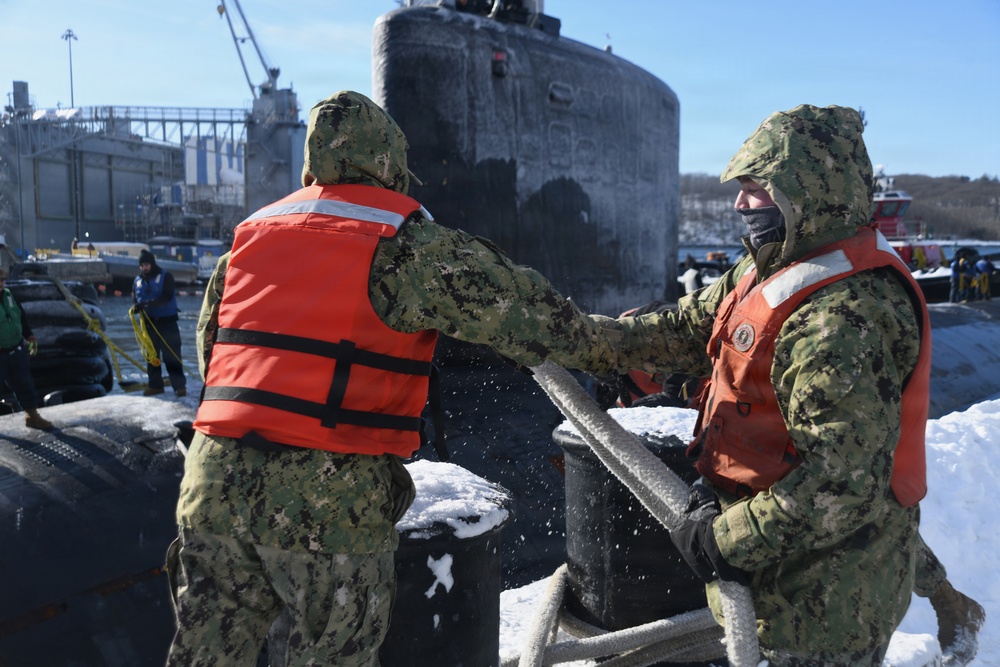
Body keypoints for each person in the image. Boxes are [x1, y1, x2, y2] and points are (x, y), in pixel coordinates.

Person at [165, 90, 606, 666]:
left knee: (207, 653)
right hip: (329, 495)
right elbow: (533, 314)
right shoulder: (406, 245)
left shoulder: (251, 237)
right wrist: (624, 344)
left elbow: (213, 358)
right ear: (391, 165)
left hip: (214, 482)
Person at [575, 105, 983, 665]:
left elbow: (840, 486)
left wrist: (724, 539)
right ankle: (949, 600)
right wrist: (585, 339)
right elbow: (693, 326)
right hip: (797, 531)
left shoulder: (840, 318)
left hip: (826, 600)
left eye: (757, 189)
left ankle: (950, 603)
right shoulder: (775, 266)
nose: (740, 203)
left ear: (808, 191)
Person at [0, 268, 53, 430]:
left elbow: (20, 317)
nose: (1, 283)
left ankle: (32, 416)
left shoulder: (9, 295)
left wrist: (29, 335)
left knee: (25, 383)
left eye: (2, 280)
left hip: (16, 349)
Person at [133, 249, 186, 397]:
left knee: (172, 356)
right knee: (152, 357)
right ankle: (155, 386)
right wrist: (136, 308)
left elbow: (167, 296)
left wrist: (149, 304)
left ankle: (179, 387)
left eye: (147, 264)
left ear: (152, 264)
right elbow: (136, 301)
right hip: (150, 325)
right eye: (142, 265)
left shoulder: (165, 277)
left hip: (167, 323)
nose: (145, 267)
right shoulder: (137, 281)